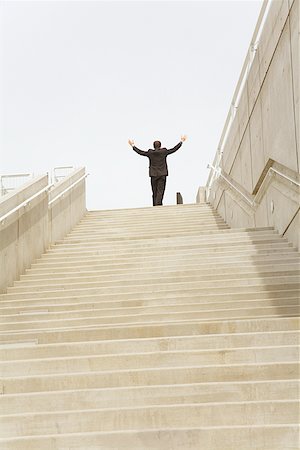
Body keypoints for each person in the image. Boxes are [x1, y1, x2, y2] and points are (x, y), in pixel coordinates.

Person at [128, 135, 187, 206]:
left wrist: (133, 145)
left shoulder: (150, 153)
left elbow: (140, 152)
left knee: (154, 191)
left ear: (153, 146)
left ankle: (155, 205)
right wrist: (181, 141)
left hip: (153, 174)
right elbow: (174, 149)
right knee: (160, 191)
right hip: (162, 174)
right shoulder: (164, 152)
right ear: (160, 146)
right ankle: (158, 204)